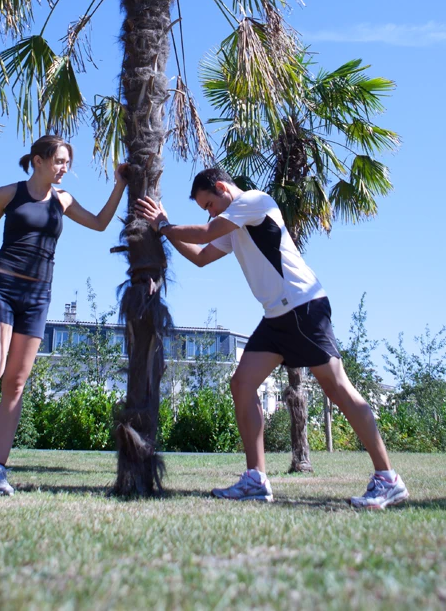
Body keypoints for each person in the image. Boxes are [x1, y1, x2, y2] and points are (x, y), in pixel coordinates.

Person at [135, 166, 409, 509]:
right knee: (242, 385)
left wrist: (164, 225)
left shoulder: (252, 202)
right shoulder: (233, 222)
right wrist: (165, 232)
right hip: (276, 316)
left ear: (222, 188)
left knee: (338, 388)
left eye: (209, 203)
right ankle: (256, 480)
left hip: (303, 305)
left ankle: (388, 479)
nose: (209, 211)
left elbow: (205, 233)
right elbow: (202, 256)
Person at [0, 134, 128, 496]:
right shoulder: (8, 194)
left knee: (16, 384)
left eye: (66, 163)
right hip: (2, 290)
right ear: (38, 160)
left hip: (38, 296)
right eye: (58, 161)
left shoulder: (63, 200)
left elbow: (101, 222)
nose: (63, 168)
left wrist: (119, 185)